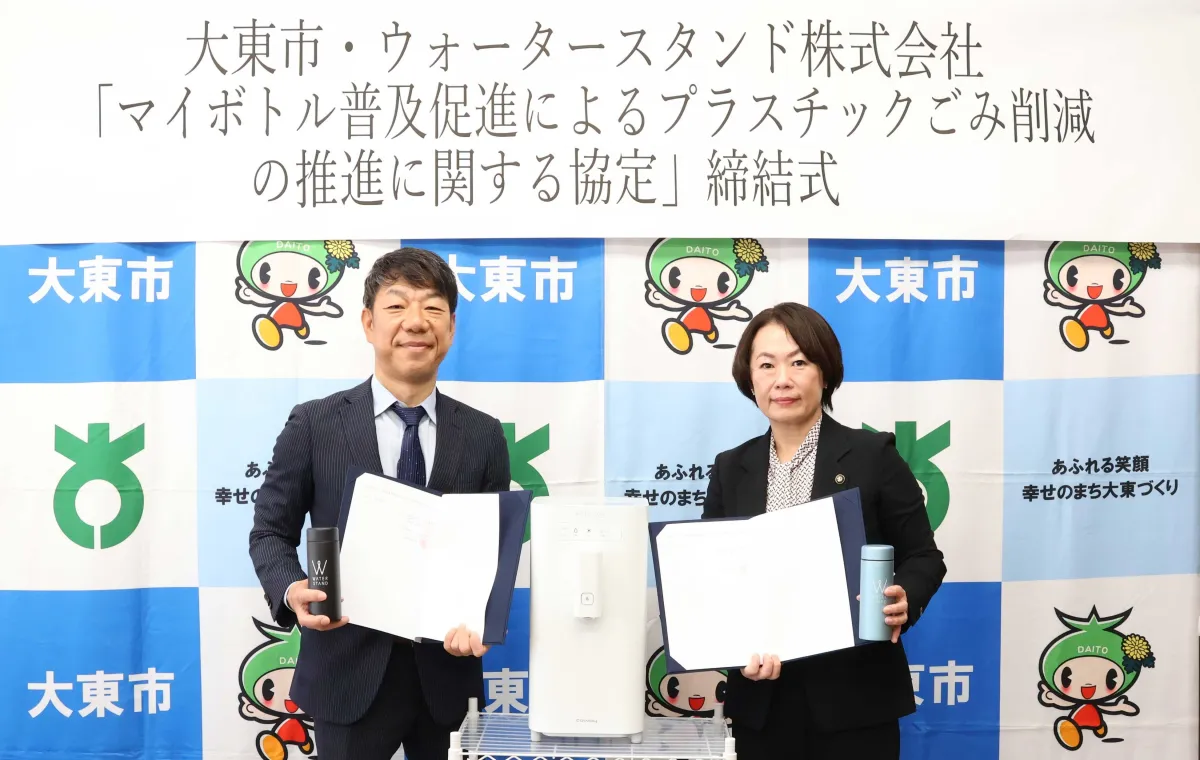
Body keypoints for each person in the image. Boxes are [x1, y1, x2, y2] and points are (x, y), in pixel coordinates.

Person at [249, 247, 512, 760]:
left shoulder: (484, 435)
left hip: (446, 674)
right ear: (368, 323)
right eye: (397, 306)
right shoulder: (314, 424)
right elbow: (269, 533)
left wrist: (482, 618)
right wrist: (291, 588)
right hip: (346, 670)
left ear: (451, 328)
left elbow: (491, 550)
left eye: (433, 308)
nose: (416, 321)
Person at [702, 302, 947, 759]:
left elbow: (924, 557)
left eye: (799, 362)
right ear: (749, 379)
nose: (782, 380)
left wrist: (904, 598)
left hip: (855, 699)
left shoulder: (874, 456)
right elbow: (715, 577)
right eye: (767, 365)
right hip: (762, 699)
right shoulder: (731, 468)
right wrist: (734, 649)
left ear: (825, 373)